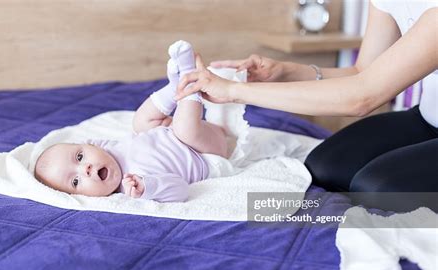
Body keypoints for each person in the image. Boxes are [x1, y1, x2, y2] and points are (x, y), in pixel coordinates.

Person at [175, 1, 438, 212]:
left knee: (377, 189)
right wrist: (286, 72)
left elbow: (363, 97)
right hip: (429, 119)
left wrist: (234, 91)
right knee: (324, 167)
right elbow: (364, 71)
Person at [34, 41, 233, 202]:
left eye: (79, 157)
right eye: (76, 181)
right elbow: (180, 189)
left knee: (140, 123)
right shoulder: (132, 187)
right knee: (184, 129)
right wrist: (148, 187)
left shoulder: (107, 150)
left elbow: (94, 146)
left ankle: (175, 87)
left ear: (88, 145)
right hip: (206, 153)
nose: (85, 168)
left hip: (172, 134)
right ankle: (190, 78)